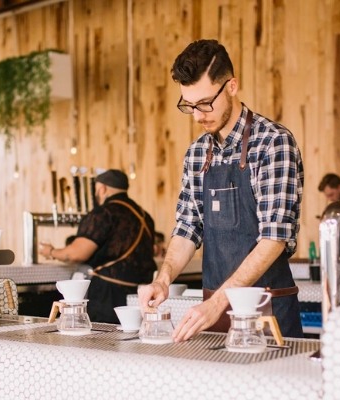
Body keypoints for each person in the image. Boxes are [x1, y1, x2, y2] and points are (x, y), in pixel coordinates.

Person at [138, 39, 305, 341]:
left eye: (204, 103)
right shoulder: (197, 153)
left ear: (231, 86)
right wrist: (162, 279)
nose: (198, 115)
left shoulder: (273, 143)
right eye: (188, 106)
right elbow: (188, 227)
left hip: (266, 313)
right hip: (213, 315)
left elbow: (274, 239)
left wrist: (218, 302)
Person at [39, 169, 156, 324]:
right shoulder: (144, 216)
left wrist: (51, 251)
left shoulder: (104, 213)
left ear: (102, 189)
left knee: (103, 342)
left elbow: (75, 254)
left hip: (108, 296)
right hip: (141, 295)